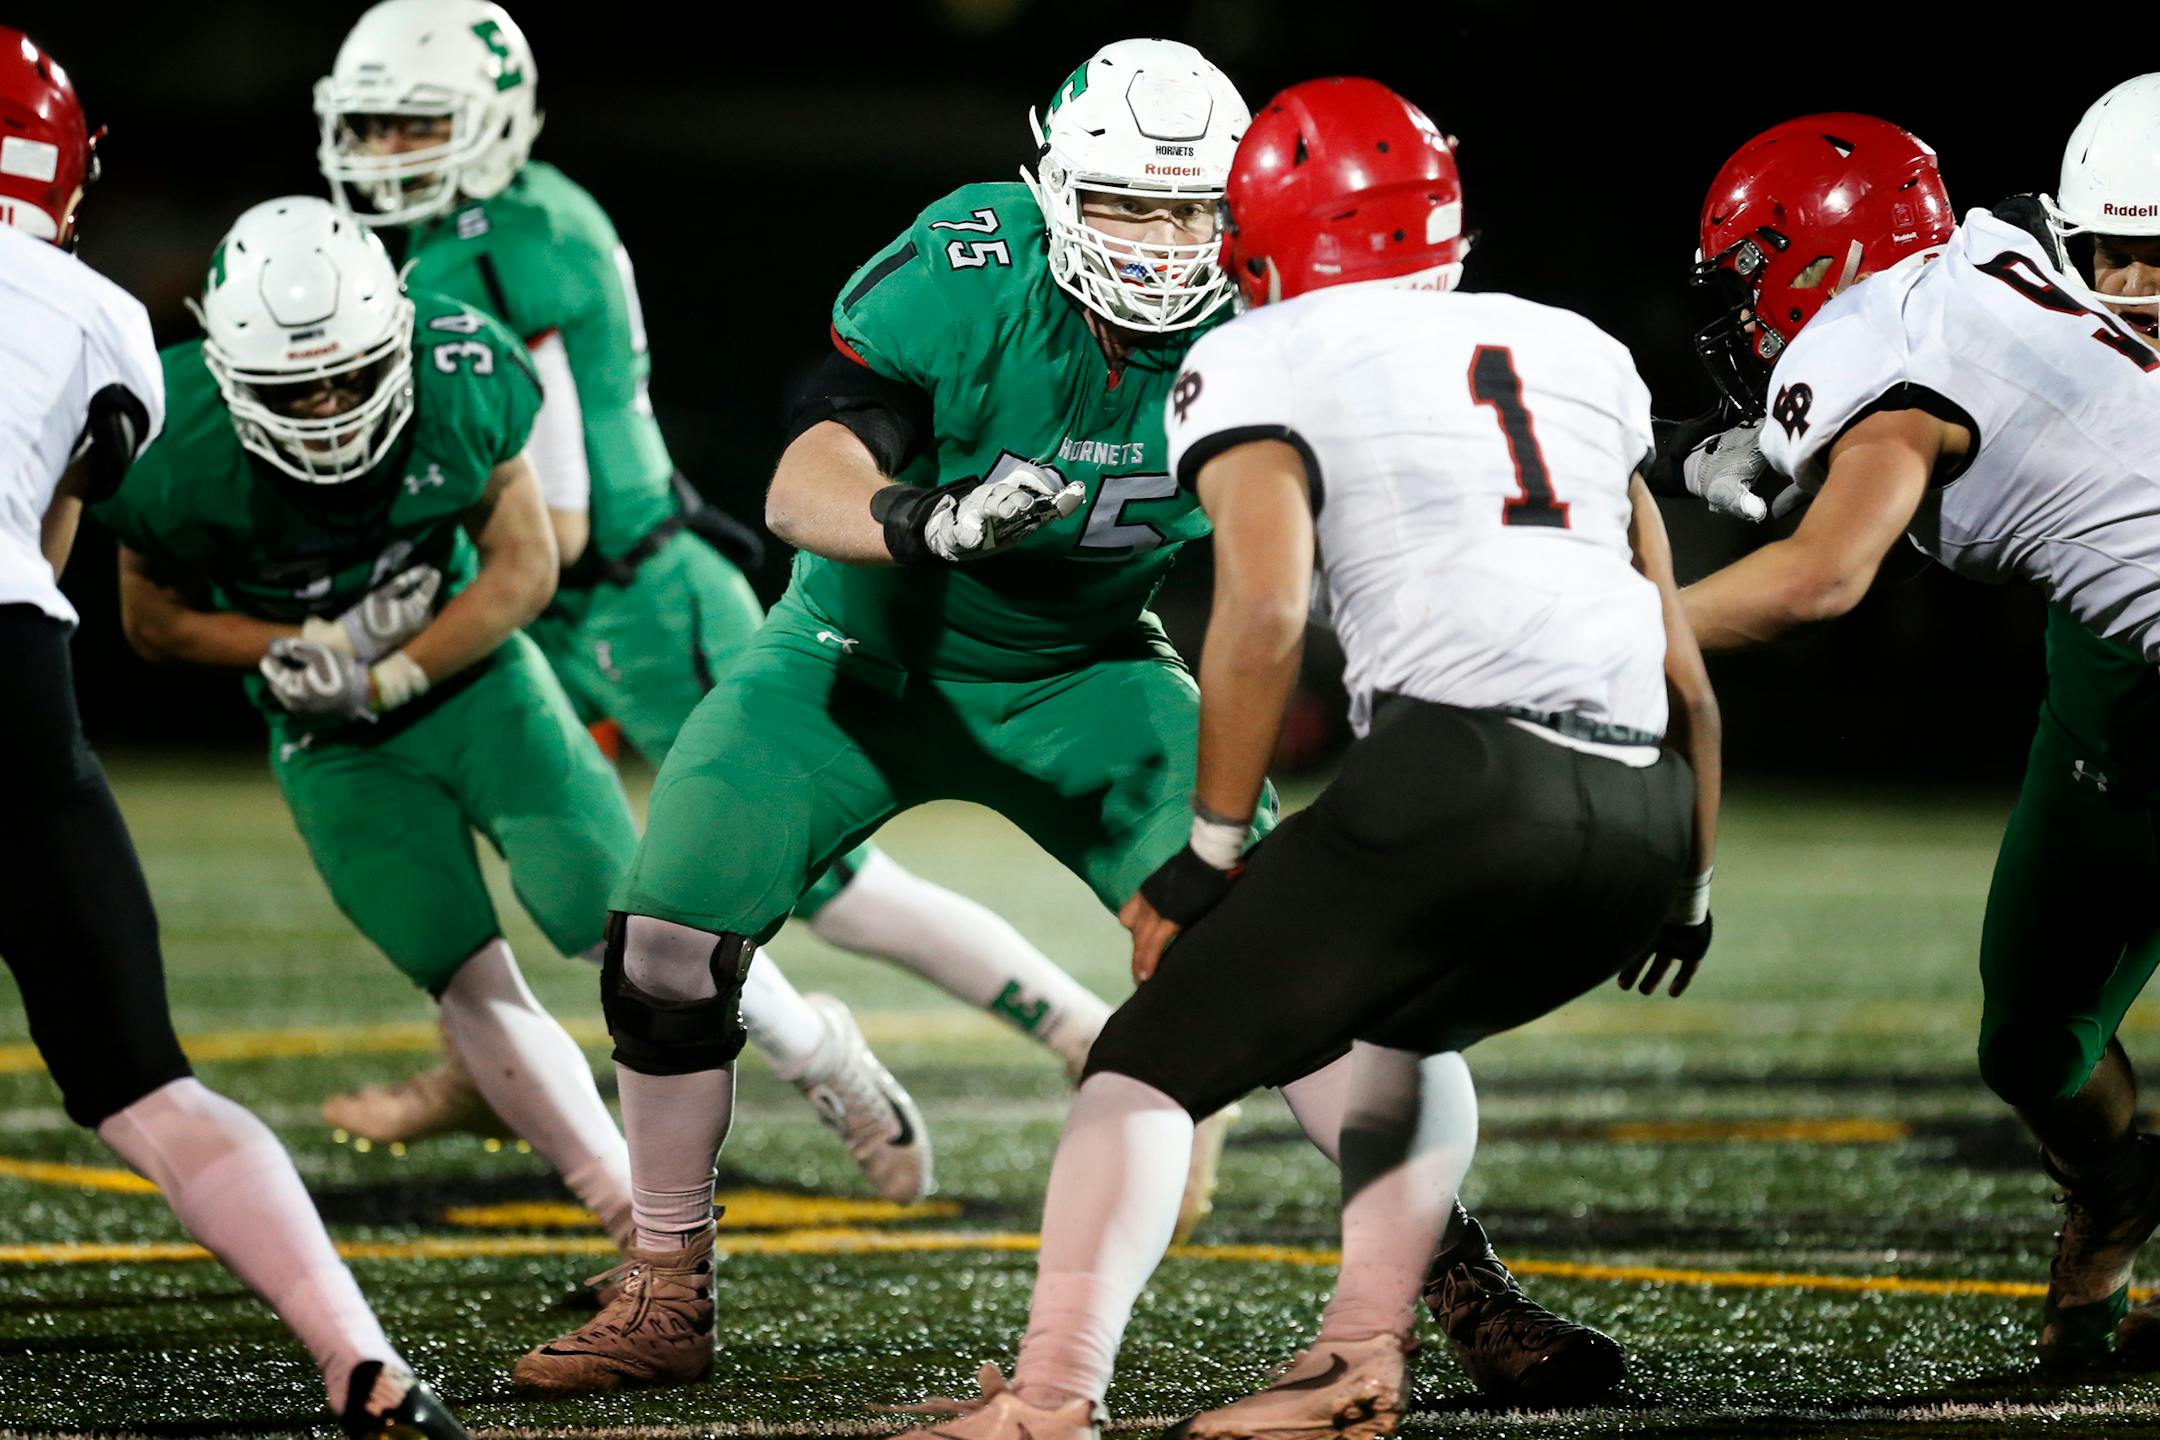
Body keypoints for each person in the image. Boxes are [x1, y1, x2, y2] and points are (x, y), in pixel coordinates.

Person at [510, 42, 1651, 1408]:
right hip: (858, 654)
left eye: (1191, 212)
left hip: (1093, 668)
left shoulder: (1272, 322)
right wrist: (919, 518)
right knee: (667, 952)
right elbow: (809, 464)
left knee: (1300, 965)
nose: (1167, 245)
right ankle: (665, 1285)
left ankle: (1451, 1282)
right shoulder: (971, 262)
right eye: (1127, 207)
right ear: (1052, 191)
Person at [872, 76, 1719, 1440]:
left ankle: (1049, 1401)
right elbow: (1676, 655)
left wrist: (1212, 852)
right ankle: (1358, 1355)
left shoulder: (1260, 354)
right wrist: (1689, 876)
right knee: (1390, 1029)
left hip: (1464, 778)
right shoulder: (1574, 349)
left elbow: (1262, 614)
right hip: (1648, 816)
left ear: (1252, 232)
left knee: (1145, 1064)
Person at [309, 0, 1122, 1176]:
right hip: (579, 595)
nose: (386, 153)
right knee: (539, 843)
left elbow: (563, 516)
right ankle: (482, 1059)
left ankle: (1072, 1027)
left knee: (821, 888)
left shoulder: (499, 247)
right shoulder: (498, 224)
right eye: (373, 128)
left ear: (489, 121)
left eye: (411, 126)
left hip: (631, 596)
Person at [0, 35, 465, 1439]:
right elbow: (51, 540)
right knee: (146, 1080)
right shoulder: (91, 311)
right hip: (7, 667)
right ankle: (361, 1361)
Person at [1674, 109, 2160, 1371]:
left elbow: (1819, 582)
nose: (2141, 290)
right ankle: (2118, 1197)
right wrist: (1775, 446)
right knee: (2032, 1043)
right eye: (2121, 256)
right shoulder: (1960, 283)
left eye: (1750, 280)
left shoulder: (1900, 323)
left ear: (1815, 261)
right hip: (2118, 709)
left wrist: (1604, 633)